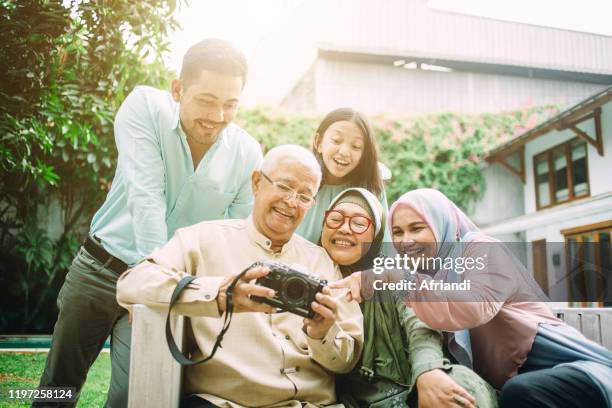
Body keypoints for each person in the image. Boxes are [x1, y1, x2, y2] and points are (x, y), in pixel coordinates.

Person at [36, 39, 263, 407]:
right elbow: (146, 196)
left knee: (135, 394)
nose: (218, 115)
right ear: (178, 89)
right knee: (58, 386)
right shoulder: (143, 106)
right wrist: (156, 277)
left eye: (230, 104)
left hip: (165, 288)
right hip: (100, 269)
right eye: (206, 100)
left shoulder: (248, 153)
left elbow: (236, 237)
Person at [117, 145, 364, 408]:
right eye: (284, 186)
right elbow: (132, 283)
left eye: (305, 196)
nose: (292, 202)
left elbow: (347, 359)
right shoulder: (201, 240)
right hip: (224, 403)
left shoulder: (322, 261)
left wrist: (322, 335)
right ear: (257, 183)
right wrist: (220, 294)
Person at [333, 188, 612, 408]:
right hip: (522, 389)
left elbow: (474, 305)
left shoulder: (482, 250)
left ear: (444, 226)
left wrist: (391, 277)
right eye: (397, 232)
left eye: (417, 228)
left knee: (520, 392)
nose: (405, 240)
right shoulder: (425, 282)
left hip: (572, 369)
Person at [321, 188, 497, 408]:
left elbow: (419, 323)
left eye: (358, 223)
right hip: (348, 401)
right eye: (335, 219)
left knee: (459, 388)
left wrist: (428, 370)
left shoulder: (389, 273)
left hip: (409, 390)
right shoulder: (307, 273)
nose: (345, 229)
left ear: (375, 236)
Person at [296, 108, 391, 245]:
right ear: (319, 143)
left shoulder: (370, 186)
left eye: (356, 146)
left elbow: (384, 242)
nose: (345, 152)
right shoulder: (301, 179)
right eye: (336, 140)